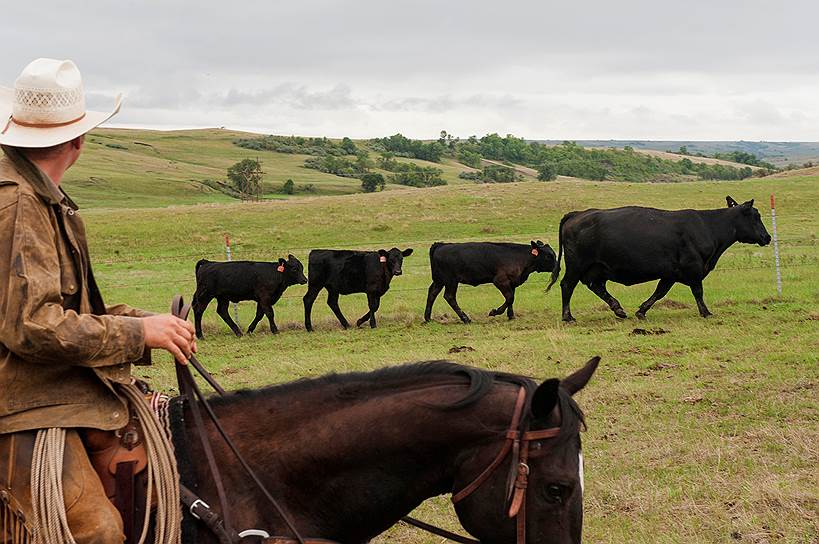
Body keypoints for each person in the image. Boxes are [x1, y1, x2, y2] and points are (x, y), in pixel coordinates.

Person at [0, 59, 195, 543]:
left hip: (47, 387)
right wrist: (138, 333)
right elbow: (31, 324)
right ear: (78, 141)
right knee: (99, 532)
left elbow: (68, 309)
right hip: (20, 398)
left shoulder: (42, 195)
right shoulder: (20, 202)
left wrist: (144, 321)